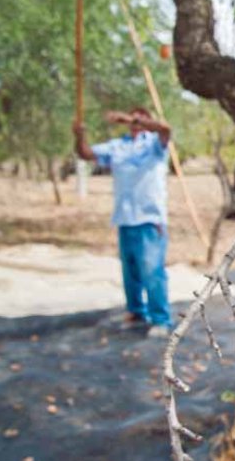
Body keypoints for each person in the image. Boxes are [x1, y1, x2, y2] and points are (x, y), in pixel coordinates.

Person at [73, 108, 173, 338]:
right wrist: (79, 136)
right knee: (131, 270)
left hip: (150, 219)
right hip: (125, 218)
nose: (136, 122)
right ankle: (136, 312)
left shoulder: (155, 145)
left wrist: (131, 119)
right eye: (133, 118)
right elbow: (86, 154)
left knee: (152, 270)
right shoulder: (118, 146)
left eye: (141, 118)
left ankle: (161, 319)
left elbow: (166, 129)